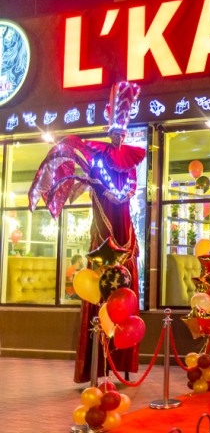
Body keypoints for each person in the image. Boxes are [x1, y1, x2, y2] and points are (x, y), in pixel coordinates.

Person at [28, 82, 146, 383]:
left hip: (125, 235)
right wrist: (100, 185)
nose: (119, 137)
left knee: (126, 295)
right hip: (106, 235)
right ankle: (98, 364)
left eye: (122, 133)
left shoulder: (129, 164)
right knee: (101, 291)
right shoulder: (99, 159)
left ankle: (122, 362)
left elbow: (128, 190)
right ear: (110, 132)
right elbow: (104, 187)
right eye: (115, 133)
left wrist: (116, 193)